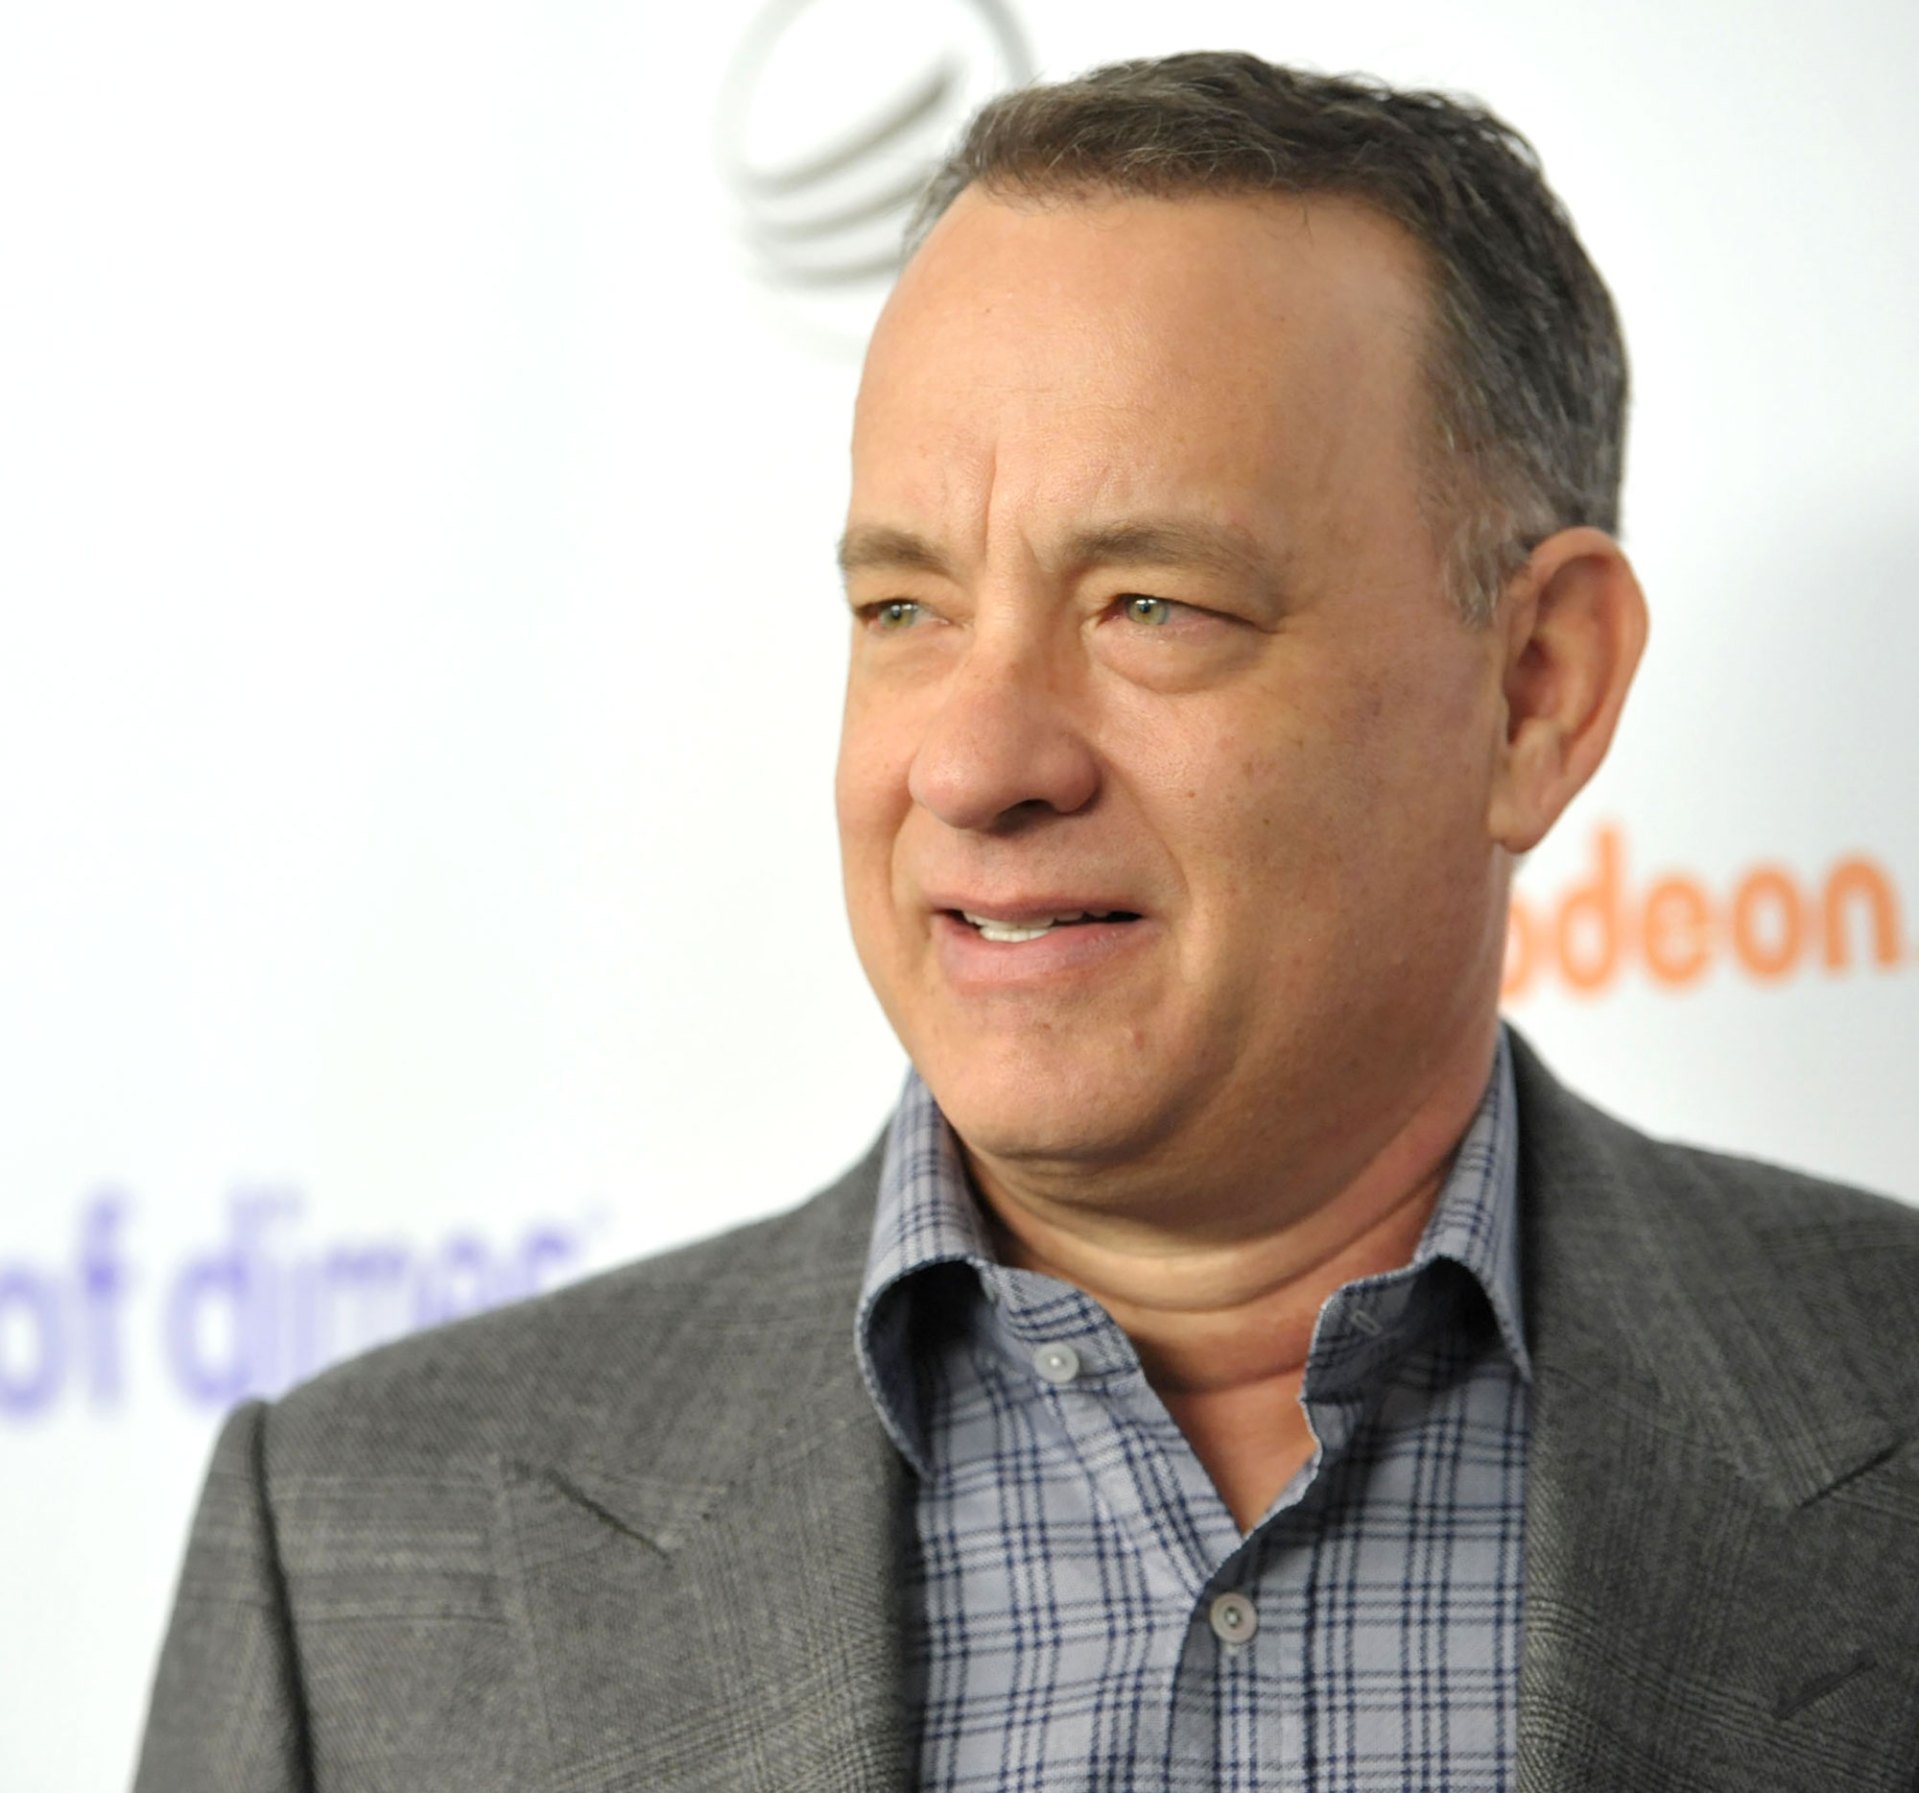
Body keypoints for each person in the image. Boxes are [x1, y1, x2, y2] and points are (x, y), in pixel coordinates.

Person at [135, 52, 1919, 1793]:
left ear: (1536, 690)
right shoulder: (357, 1564)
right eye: (904, 610)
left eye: (1151, 603)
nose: (974, 763)